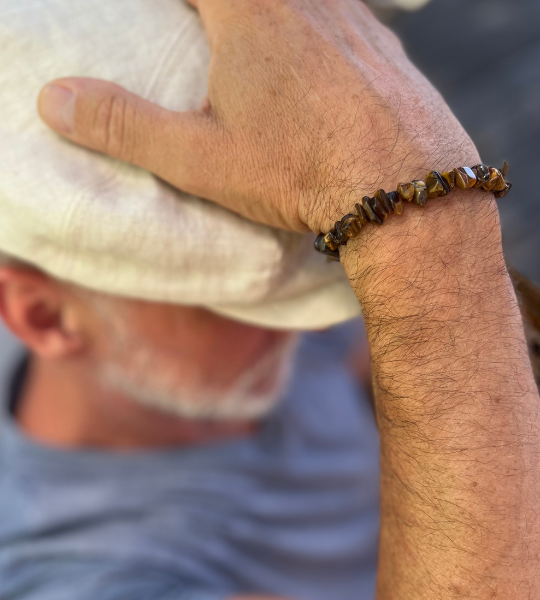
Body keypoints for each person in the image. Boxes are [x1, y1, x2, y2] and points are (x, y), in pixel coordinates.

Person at [36, 0, 540, 599]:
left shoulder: (197, 336)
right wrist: (422, 238)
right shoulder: (79, 575)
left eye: (313, 262)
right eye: (241, 299)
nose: (310, 326)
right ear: (44, 317)